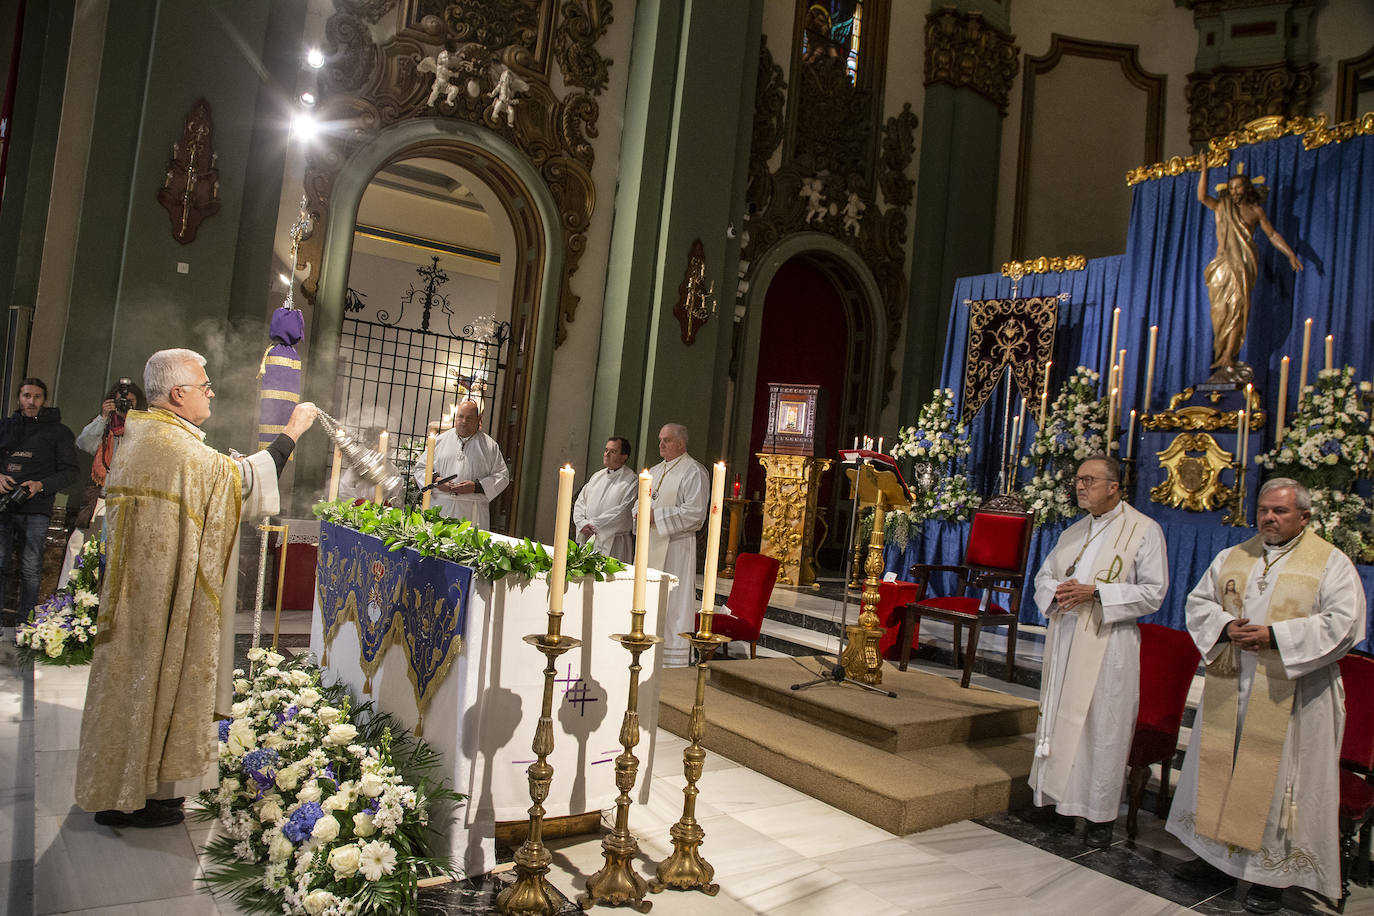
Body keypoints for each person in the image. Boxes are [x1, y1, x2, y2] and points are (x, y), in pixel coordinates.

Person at [74, 348, 318, 829]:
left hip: (139, 596)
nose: (210, 392)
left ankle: (136, 788)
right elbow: (243, 484)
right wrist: (293, 430)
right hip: (159, 600)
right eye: (204, 386)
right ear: (178, 393)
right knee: (151, 680)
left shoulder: (151, 437)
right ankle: (130, 798)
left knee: (138, 686)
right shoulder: (174, 448)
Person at [1167, 478, 1364, 913]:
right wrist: (1224, 626)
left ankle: (1269, 877)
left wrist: (1276, 637)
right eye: (1264, 510)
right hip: (1232, 685)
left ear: (1305, 517)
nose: (1269, 518)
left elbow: (1345, 625)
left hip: (1293, 693)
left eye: (1280, 511)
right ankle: (1216, 858)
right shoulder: (1233, 556)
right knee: (1224, 768)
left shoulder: (1330, 564)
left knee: (1276, 784)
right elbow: (1198, 603)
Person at [1027, 455, 1168, 847]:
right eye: (1078, 480)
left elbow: (1154, 592)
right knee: (1061, 719)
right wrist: (1056, 592)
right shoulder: (1073, 532)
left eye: (1089, 480)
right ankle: (1060, 803)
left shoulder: (1144, 530)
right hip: (1068, 635)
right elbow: (1045, 575)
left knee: (1101, 727)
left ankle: (1099, 816)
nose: (1080, 486)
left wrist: (1097, 593)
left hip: (1110, 644)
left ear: (1114, 487)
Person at [1197, 160, 1302, 376]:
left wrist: (1290, 253)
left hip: (1243, 265)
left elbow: (1272, 234)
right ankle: (1221, 353)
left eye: (1239, 187)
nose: (1235, 191)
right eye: (1232, 187)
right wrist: (1204, 171)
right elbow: (1202, 197)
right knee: (1220, 312)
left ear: (1247, 188)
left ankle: (1228, 355)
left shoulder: (1255, 211)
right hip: (1222, 265)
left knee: (1237, 309)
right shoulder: (1221, 207)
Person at [0, 377, 78, 618]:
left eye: (36, 397)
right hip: (4, 507)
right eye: (26, 396)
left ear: (45, 400)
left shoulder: (58, 432)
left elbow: (70, 471)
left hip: (37, 509)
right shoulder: (5, 427)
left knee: (30, 568)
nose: (31, 401)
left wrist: (41, 485)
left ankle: (25, 623)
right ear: (18, 398)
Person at [642, 423, 708, 668]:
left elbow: (695, 514)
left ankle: (672, 659)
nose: (660, 445)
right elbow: (640, 503)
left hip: (677, 548)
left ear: (681, 443)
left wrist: (655, 517)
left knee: (674, 602)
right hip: (650, 545)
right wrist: (640, 513)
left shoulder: (694, 471)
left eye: (667, 440)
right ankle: (646, 648)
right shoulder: (655, 471)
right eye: (660, 439)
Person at [417, 399, 509, 529]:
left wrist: (476, 486)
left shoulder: (489, 446)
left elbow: (502, 476)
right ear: (456, 418)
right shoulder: (439, 441)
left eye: (469, 418)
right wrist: (437, 481)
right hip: (440, 507)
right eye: (460, 417)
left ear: (478, 419)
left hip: (471, 511)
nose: (464, 421)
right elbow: (420, 469)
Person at [572, 437, 637, 562]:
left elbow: (623, 512)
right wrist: (582, 523)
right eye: (606, 450)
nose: (607, 454)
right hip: (589, 538)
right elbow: (580, 502)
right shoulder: (597, 476)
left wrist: (593, 525)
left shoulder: (631, 480)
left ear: (624, 456)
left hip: (614, 543)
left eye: (613, 451)